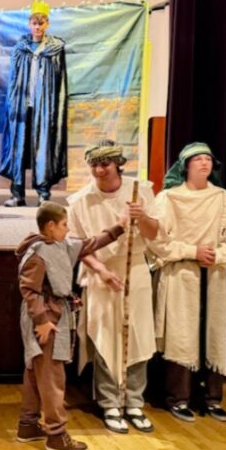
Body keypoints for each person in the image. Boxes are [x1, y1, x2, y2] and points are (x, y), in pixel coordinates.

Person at [16, 200, 131, 450]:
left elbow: (90, 243)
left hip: (53, 314)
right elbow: (29, 290)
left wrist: (119, 227)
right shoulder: (38, 253)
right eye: (64, 225)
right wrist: (42, 321)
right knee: (51, 376)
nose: (68, 229)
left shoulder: (61, 245)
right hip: (46, 317)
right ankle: (56, 435)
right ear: (50, 226)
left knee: (36, 372)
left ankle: (28, 424)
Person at [147, 142, 226, 422]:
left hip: (213, 274)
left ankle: (212, 397)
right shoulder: (169, 198)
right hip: (181, 274)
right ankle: (178, 397)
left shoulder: (221, 198)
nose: (205, 163)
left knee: (212, 333)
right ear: (186, 166)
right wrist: (192, 251)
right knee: (181, 335)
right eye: (198, 159)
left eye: (208, 159)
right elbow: (156, 241)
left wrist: (218, 254)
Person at [68, 142, 160, 434]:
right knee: (106, 336)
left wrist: (141, 217)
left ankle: (134, 401)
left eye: (105, 164)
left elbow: (154, 233)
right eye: (94, 164)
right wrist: (101, 271)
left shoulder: (140, 191)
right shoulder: (79, 201)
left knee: (138, 335)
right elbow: (78, 246)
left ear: (118, 164)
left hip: (135, 268)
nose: (99, 170)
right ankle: (110, 403)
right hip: (101, 272)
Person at [0, 0, 69, 206]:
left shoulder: (55, 48)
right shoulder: (21, 48)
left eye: (41, 23)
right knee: (18, 147)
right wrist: (12, 103)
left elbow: (61, 80)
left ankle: (43, 193)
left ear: (47, 24)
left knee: (43, 147)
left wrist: (55, 107)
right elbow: (13, 78)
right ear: (29, 24)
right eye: (34, 23)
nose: (37, 27)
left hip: (44, 106)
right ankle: (17, 194)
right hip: (22, 105)